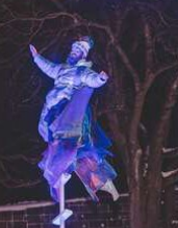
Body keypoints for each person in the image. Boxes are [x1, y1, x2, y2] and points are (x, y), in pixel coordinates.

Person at [30, 36, 119, 201]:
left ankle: (101, 181)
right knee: (57, 142)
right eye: (73, 49)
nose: (73, 52)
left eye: (77, 51)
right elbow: (48, 67)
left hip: (69, 108)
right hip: (54, 108)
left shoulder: (81, 71)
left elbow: (91, 79)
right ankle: (58, 171)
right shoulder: (62, 68)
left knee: (80, 149)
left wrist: (100, 79)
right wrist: (37, 58)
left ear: (82, 55)